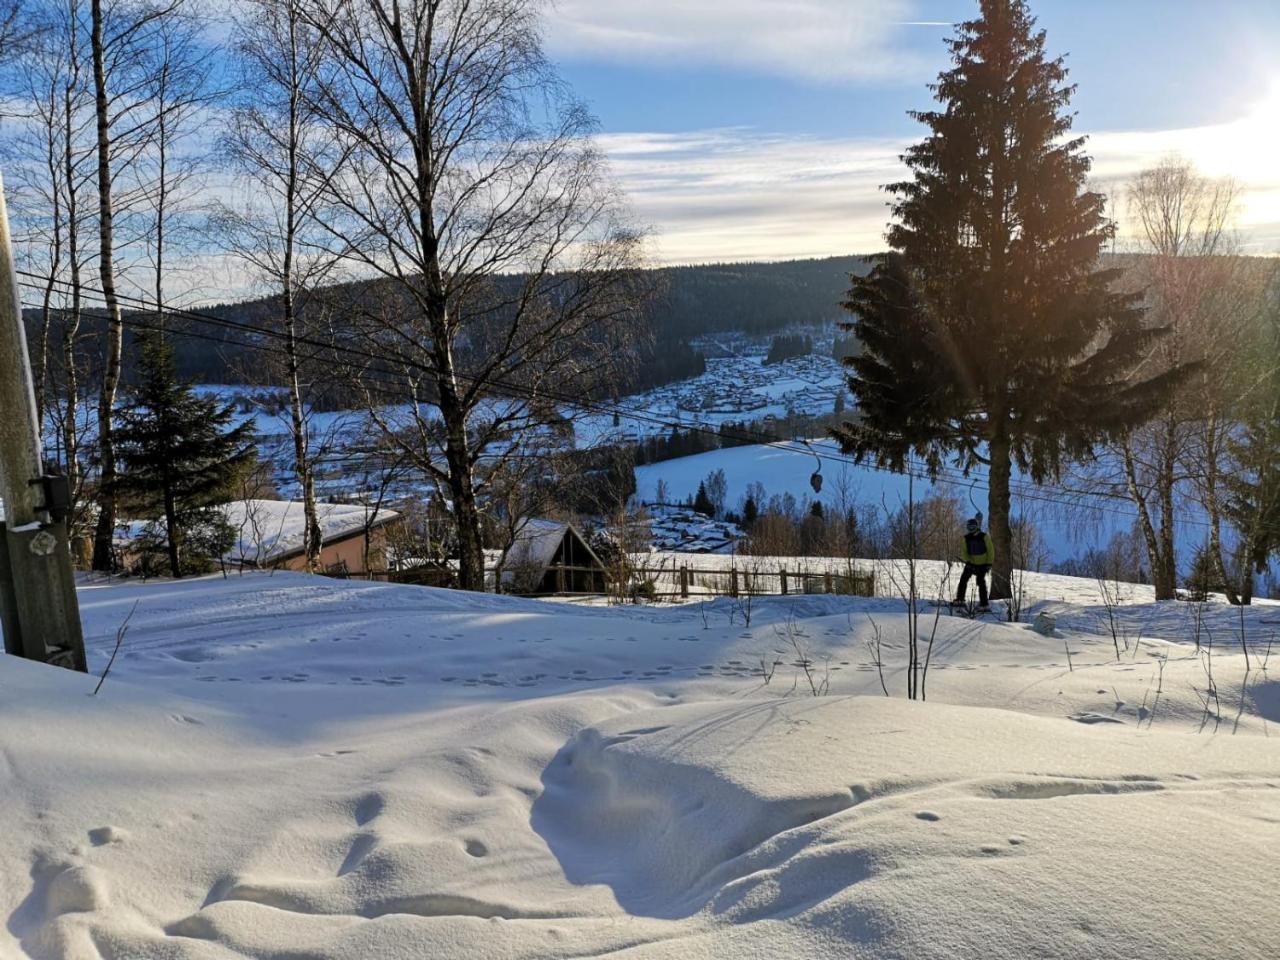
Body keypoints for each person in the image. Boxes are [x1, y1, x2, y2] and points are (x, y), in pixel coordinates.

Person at [956, 516, 994, 610]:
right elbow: (964, 551)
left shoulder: (984, 536)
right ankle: (960, 599)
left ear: (976, 527)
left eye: (973, 527)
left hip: (983, 564)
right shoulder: (966, 538)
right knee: (963, 579)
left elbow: (990, 550)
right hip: (971, 563)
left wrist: (989, 563)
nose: (971, 529)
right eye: (969, 527)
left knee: (980, 581)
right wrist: (968, 561)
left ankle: (984, 604)